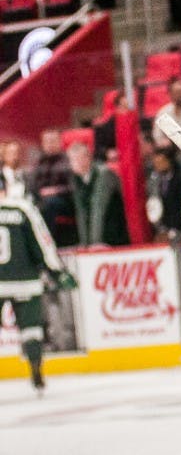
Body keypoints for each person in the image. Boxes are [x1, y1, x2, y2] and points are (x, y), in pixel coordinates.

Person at [0, 181, 77, 394]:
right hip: (25, 280)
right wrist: (57, 271)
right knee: (31, 330)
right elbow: (42, 243)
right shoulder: (22, 208)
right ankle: (36, 370)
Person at [67, 142, 129, 247]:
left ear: (87, 158)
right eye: (71, 160)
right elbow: (80, 211)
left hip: (114, 228)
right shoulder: (75, 178)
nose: (73, 163)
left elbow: (98, 208)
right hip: (97, 228)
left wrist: (96, 243)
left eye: (76, 159)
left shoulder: (104, 174)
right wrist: (84, 243)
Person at [28, 130, 76, 247]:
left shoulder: (68, 160)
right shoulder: (39, 162)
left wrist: (55, 190)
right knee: (29, 206)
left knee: (49, 204)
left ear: (60, 142)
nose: (50, 144)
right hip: (42, 200)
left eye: (53, 141)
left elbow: (74, 187)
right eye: (47, 142)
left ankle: (47, 244)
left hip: (65, 200)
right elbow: (32, 185)